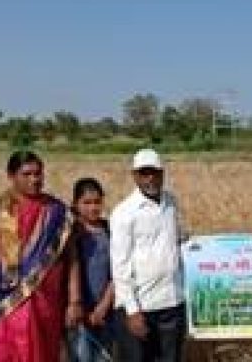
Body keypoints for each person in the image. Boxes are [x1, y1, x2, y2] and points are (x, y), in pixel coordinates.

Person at [0, 150, 83, 362]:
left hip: (44, 305)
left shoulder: (57, 212)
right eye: (27, 174)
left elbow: (72, 257)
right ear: (11, 176)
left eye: (38, 174)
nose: (35, 179)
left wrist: (74, 301)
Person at [111, 148, 186, 362]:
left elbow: (176, 239)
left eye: (154, 172)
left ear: (163, 173)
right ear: (134, 176)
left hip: (172, 302)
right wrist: (133, 312)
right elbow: (120, 266)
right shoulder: (124, 213)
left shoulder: (171, 202)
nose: (150, 178)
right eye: (144, 173)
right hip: (141, 306)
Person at [67, 178, 115, 362]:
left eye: (97, 202)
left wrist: (103, 307)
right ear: (75, 204)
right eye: (86, 203)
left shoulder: (110, 231)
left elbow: (118, 272)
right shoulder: (69, 234)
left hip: (106, 313)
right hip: (76, 314)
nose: (93, 208)